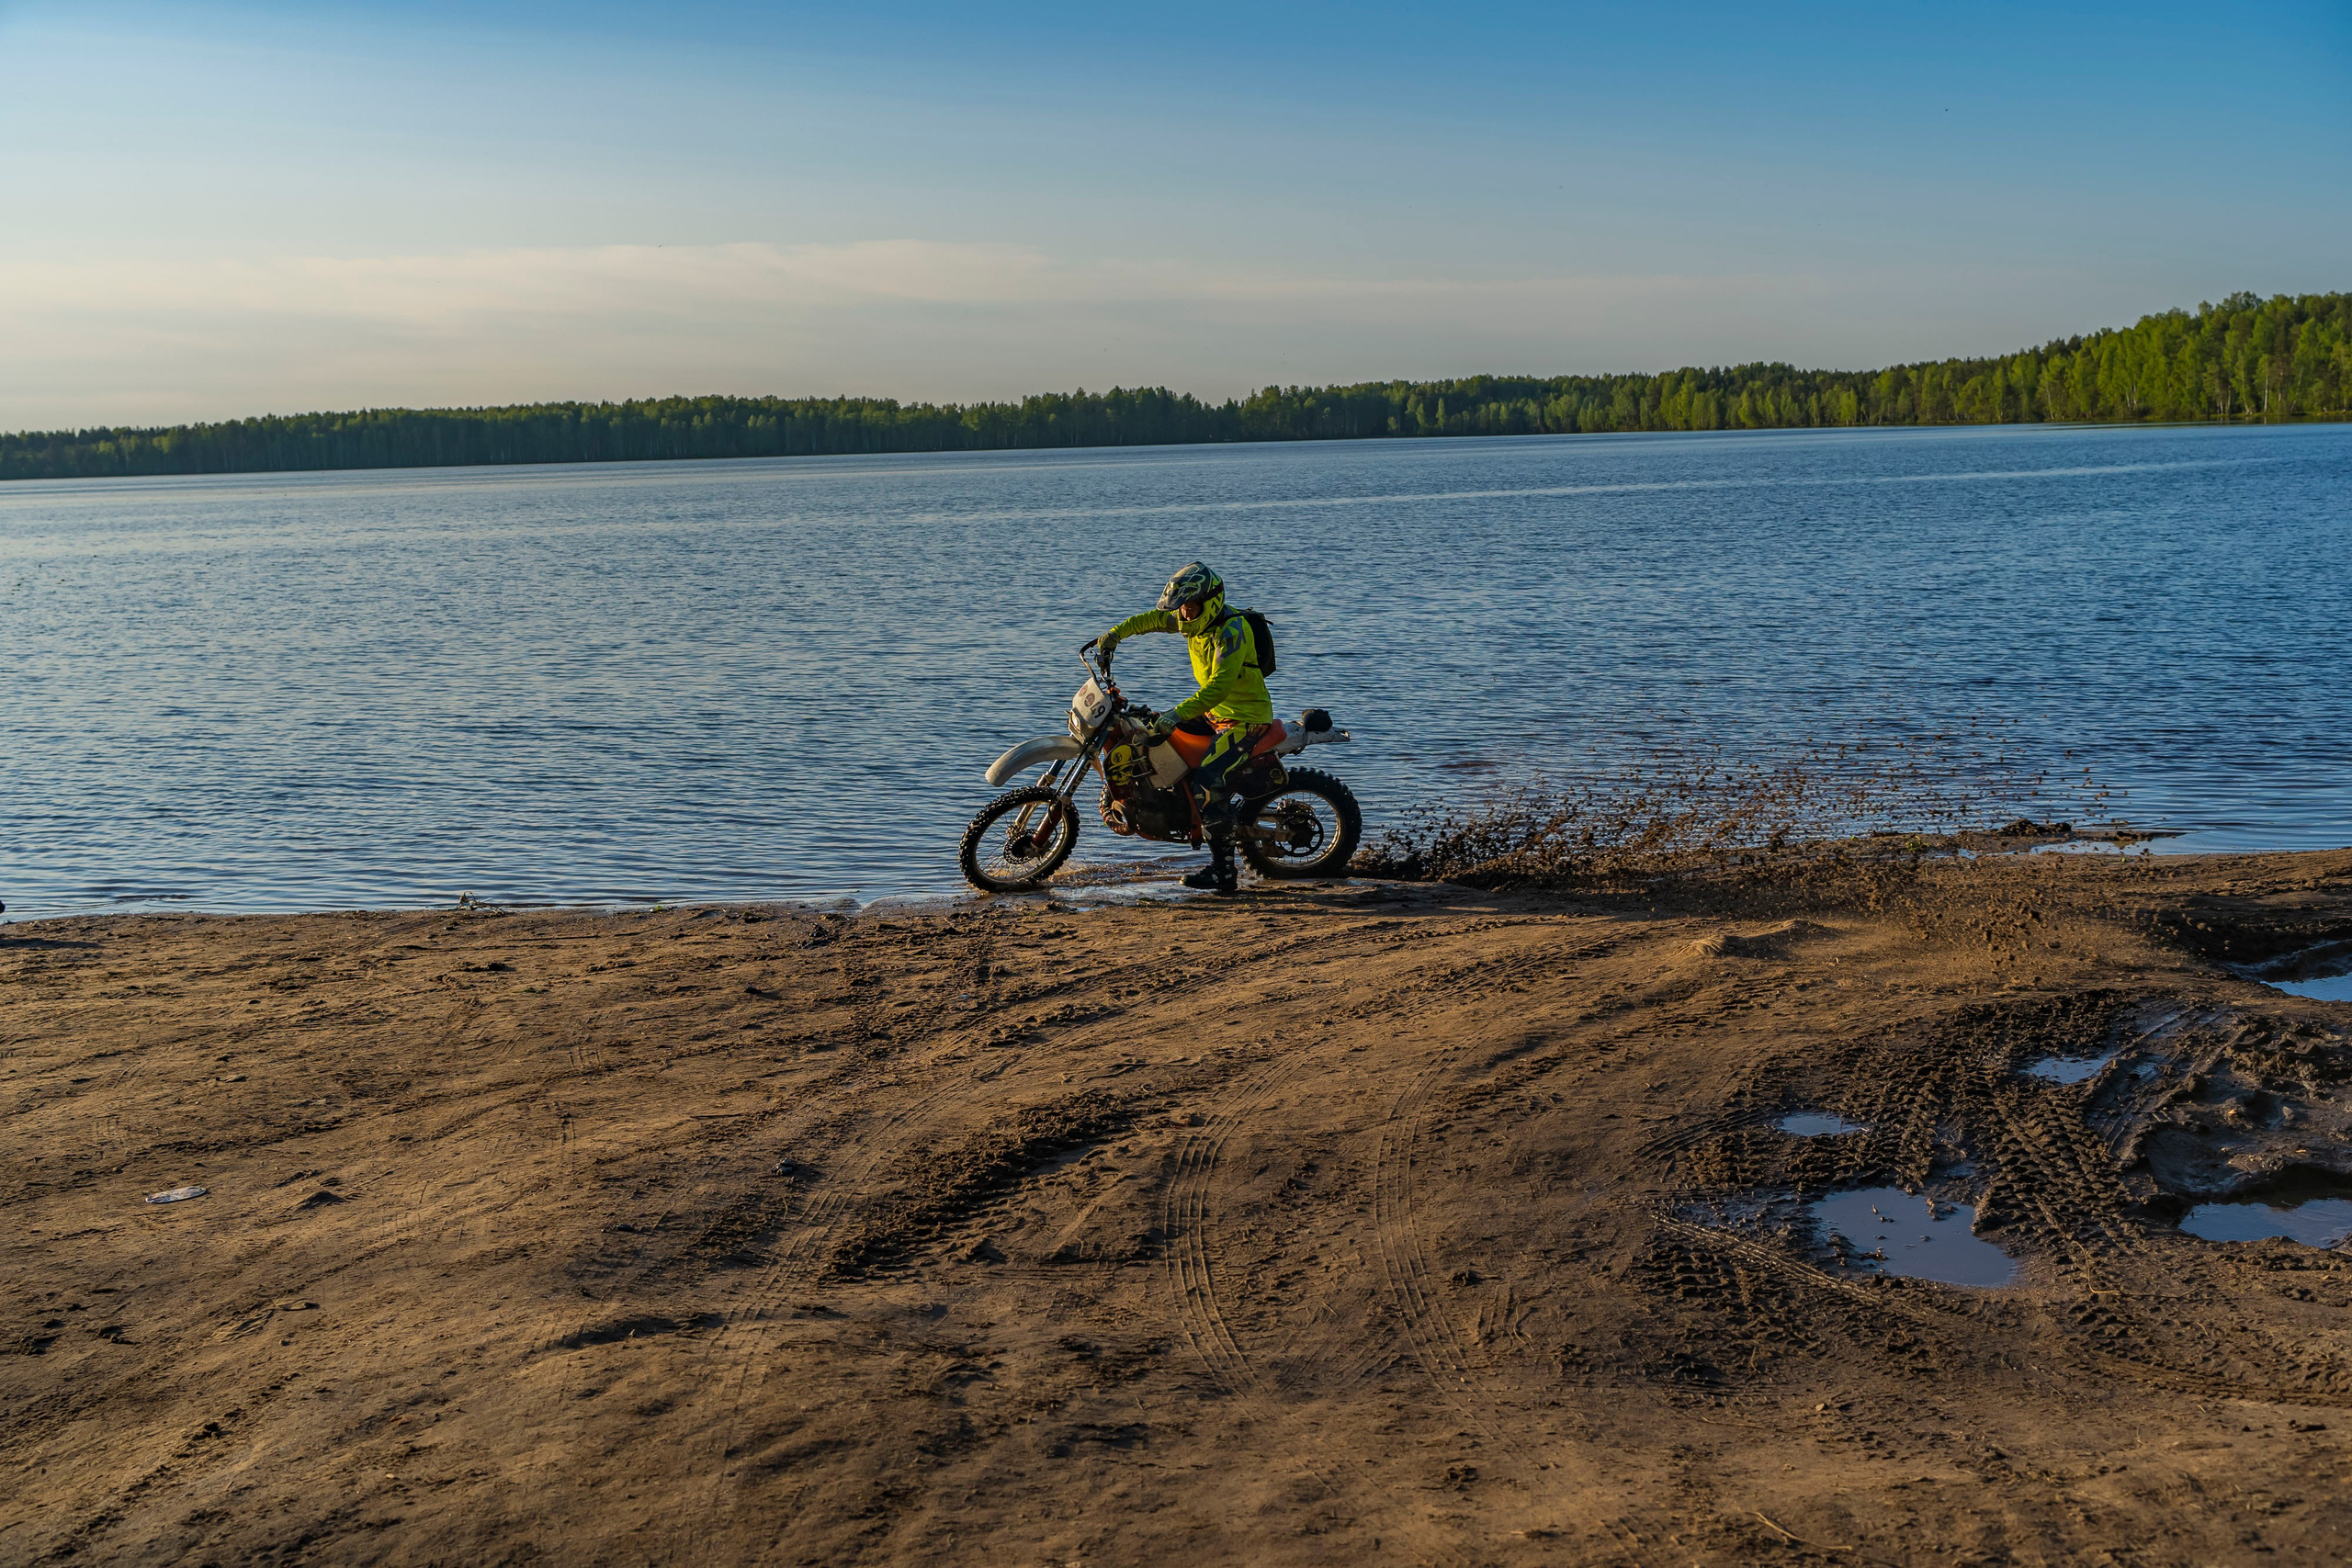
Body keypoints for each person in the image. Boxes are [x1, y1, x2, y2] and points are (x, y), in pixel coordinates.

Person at [1093, 561, 1272, 894]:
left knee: (1209, 779)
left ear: (1211, 602)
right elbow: (1150, 619)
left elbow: (1218, 686)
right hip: (1213, 712)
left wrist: (1176, 714)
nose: (1184, 615)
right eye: (1182, 609)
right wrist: (1113, 635)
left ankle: (1224, 871)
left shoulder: (1231, 631)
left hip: (1246, 720)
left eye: (1190, 608)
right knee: (1151, 733)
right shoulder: (1193, 623)